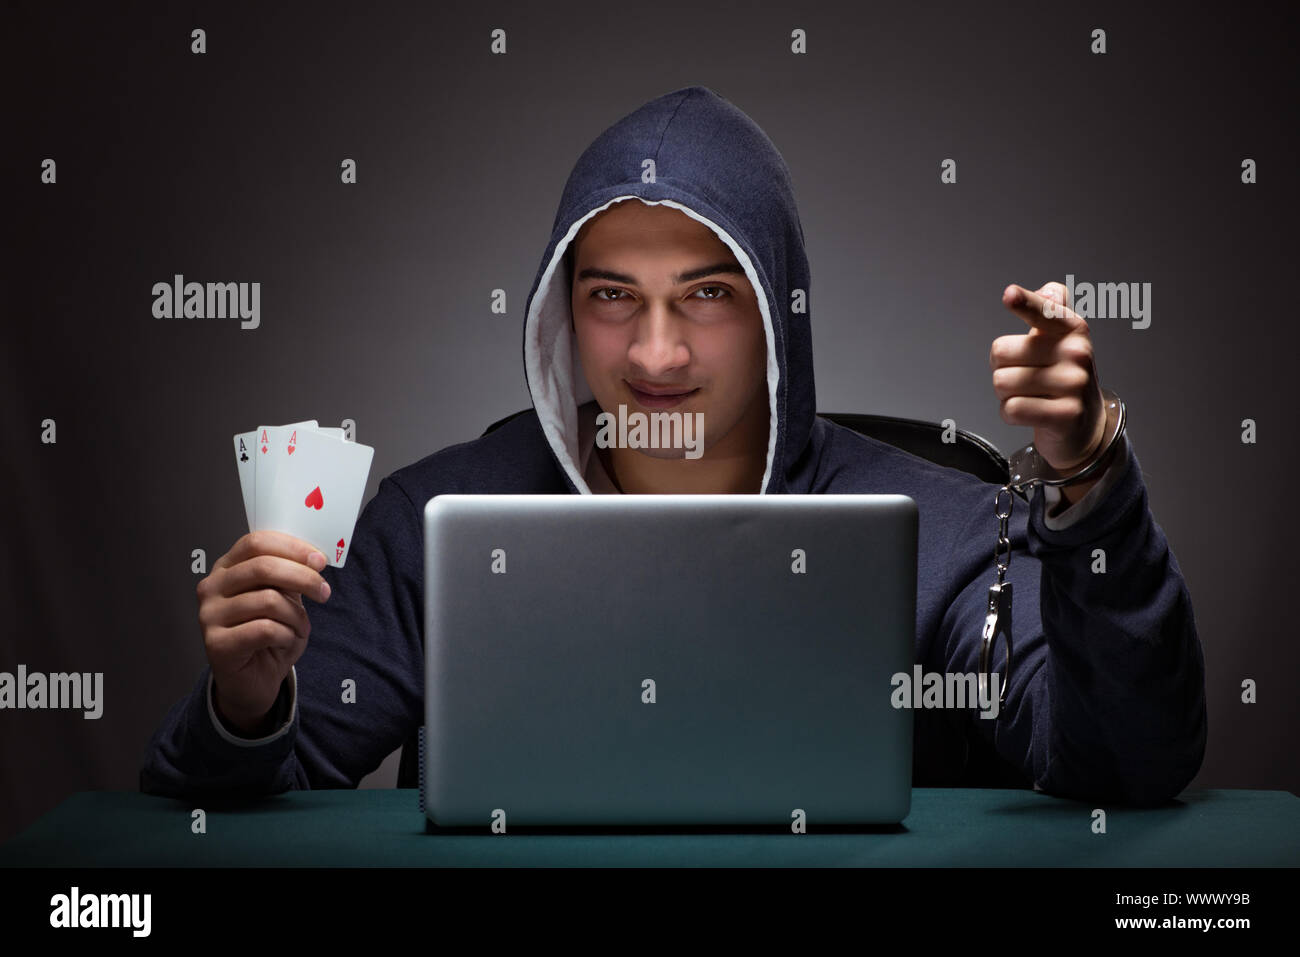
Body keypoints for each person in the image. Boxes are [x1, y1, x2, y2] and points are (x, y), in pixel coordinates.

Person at [140, 86, 1206, 805]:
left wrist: (1088, 475)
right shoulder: (440, 516)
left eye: (706, 293)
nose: (655, 351)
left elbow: (1124, 766)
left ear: (779, 313)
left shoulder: (951, 527)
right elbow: (241, 820)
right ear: (561, 312)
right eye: (612, 296)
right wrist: (245, 706)